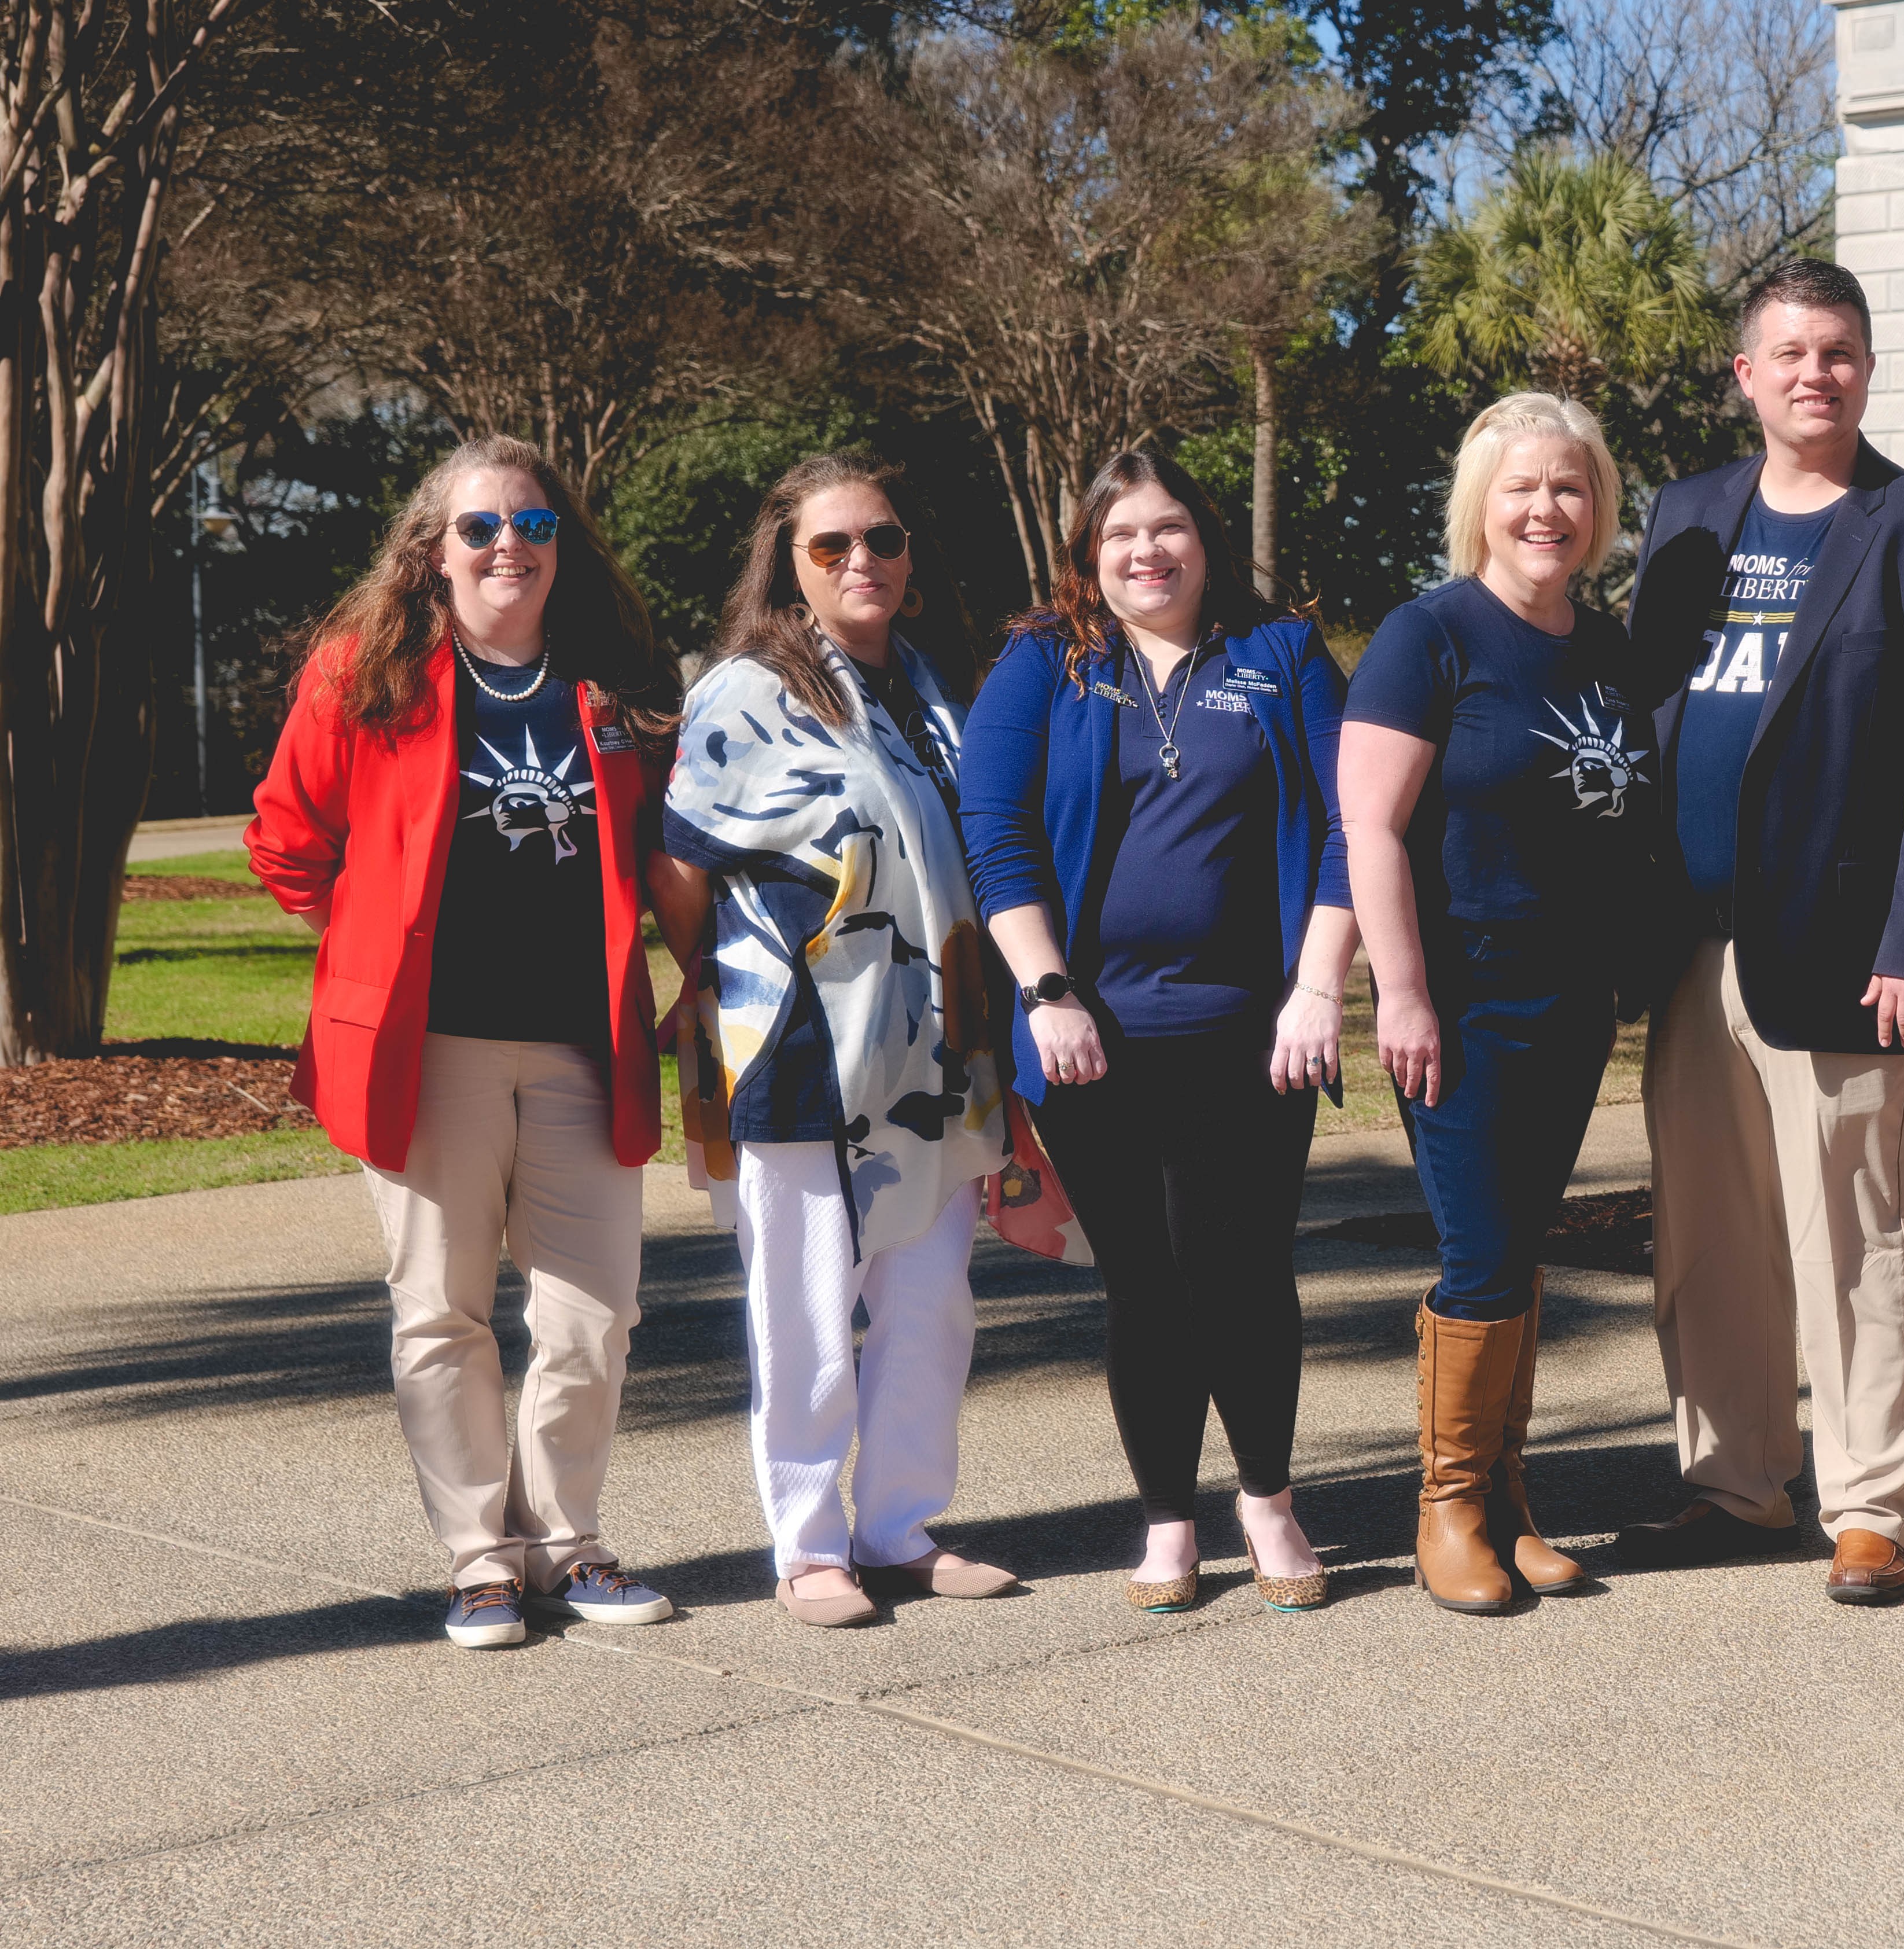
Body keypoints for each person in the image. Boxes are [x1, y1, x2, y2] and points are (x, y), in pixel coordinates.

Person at [247, 435, 684, 1649]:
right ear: (432, 550)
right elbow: (286, 841)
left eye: (534, 528)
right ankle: (480, 1559)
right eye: (483, 527)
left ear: (564, 549)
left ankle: (567, 1541)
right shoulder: (368, 675)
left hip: (583, 1047)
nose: (510, 547)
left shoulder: (613, 685)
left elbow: (672, 854)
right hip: (426, 1050)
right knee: (440, 1312)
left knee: (594, 1313)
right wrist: (370, 941)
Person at [1613, 257, 1904, 1606]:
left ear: (1868, 368)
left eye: (1837, 352)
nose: (1813, 374)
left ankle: (1870, 1504)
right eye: (1789, 354)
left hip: (1848, 957)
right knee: (1708, 1233)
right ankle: (1733, 1480)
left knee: (1862, 1237)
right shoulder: (1686, 517)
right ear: (1746, 375)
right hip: (1693, 945)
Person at [959, 449, 1354, 1616]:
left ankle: (1271, 1502)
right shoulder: (1045, 665)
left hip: (1256, 1033)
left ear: (1206, 538)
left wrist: (1319, 988)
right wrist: (1044, 992)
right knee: (1147, 1280)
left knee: (1241, 1272)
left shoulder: (1278, 655)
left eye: (1170, 526)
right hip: (1093, 1040)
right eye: (1122, 532)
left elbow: (1352, 827)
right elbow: (998, 834)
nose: (1148, 550)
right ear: (1090, 553)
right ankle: (1169, 1521)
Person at [654, 453, 1016, 1627]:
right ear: (790, 565)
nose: (864, 560)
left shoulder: (926, 684)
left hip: (935, 1048)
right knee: (808, 1307)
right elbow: (682, 861)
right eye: (832, 546)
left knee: (931, 1301)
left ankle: (900, 1527)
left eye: (885, 539)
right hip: (803, 1041)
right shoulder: (746, 692)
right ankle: (810, 1547)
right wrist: (712, 981)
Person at [1339, 394, 1662, 1615]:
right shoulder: (1431, 635)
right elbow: (1368, 826)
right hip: (1461, 999)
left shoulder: (1607, 644)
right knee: (1477, 1256)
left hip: (1574, 1001)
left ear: (1600, 509)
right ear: (1482, 502)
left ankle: (1512, 1502)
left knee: (1522, 1251)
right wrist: (1404, 993)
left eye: (1571, 488)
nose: (1547, 509)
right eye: (1523, 487)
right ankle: (1447, 1507)